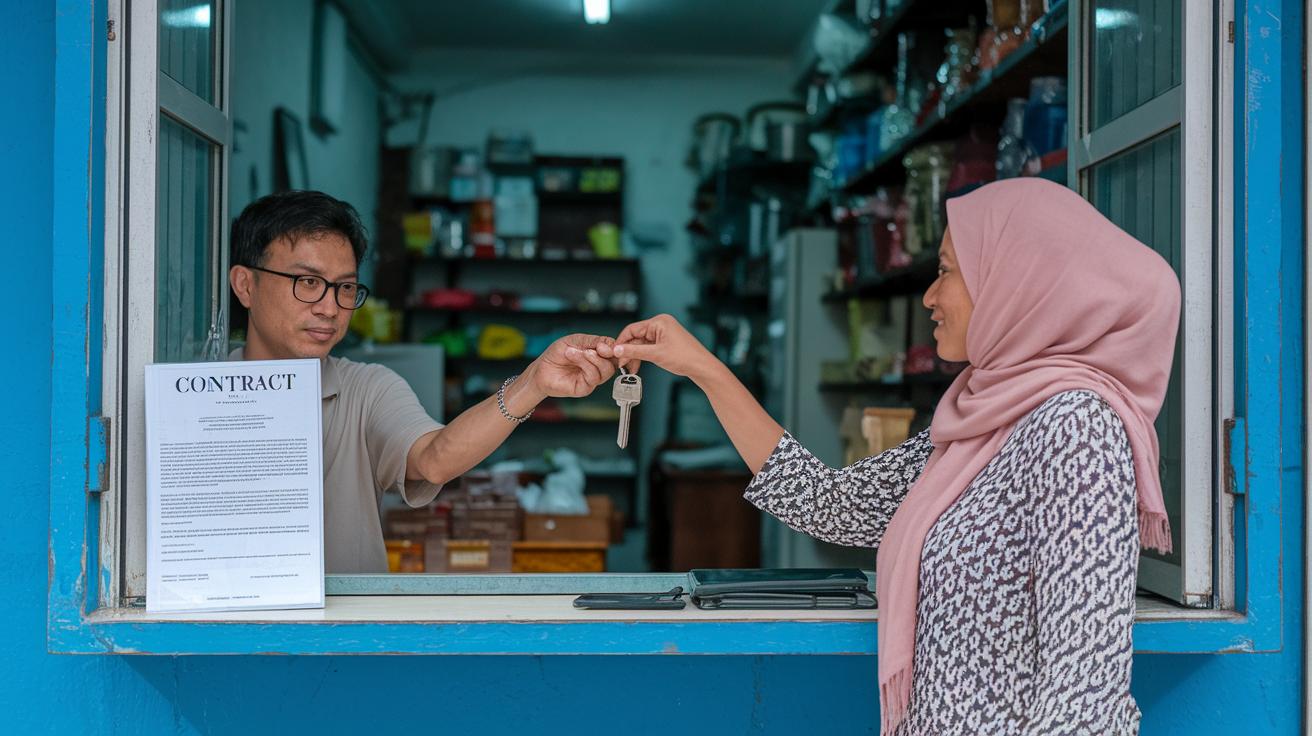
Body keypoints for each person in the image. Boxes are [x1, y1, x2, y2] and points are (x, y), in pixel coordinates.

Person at [599, 177, 1179, 735]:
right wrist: (703, 367)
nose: (929, 295)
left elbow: (1087, 694)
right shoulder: (979, 420)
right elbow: (832, 505)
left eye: (948, 271)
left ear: (1020, 281)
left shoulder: (1075, 429)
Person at [228, 190, 619, 573]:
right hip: (212, 633)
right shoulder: (191, 399)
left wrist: (532, 384)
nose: (330, 308)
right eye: (308, 283)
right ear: (246, 285)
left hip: (344, 636)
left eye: (345, 287)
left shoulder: (367, 389)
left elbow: (435, 461)